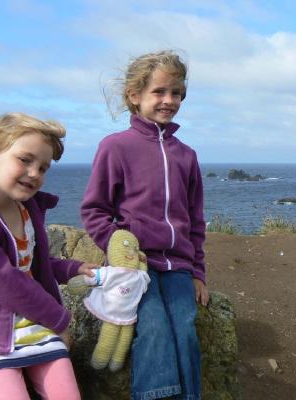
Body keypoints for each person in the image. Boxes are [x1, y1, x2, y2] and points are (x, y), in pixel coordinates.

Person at [81, 50, 209, 400]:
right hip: (135, 268)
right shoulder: (116, 147)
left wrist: (198, 272)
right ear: (134, 96)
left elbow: (195, 221)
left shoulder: (187, 155)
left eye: (177, 93)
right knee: (153, 329)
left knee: (184, 328)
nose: (169, 100)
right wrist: (121, 250)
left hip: (178, 266)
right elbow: (94, 210)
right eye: (160, 91)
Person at [0, 112, 98, 400]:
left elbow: (29, 264)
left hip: (35, 323)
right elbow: (4, 281)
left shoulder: (27, 209)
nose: (35, 173)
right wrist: (59, 319)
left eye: (43, 167)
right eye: (25, 159)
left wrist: (71, 268)